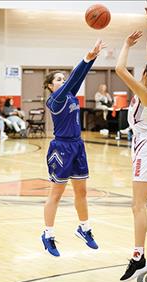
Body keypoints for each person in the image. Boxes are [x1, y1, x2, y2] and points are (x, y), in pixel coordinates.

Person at [41, 39, 107, 257]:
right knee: (56, 194)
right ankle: (48, 234)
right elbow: (72, 81)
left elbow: (78, 77)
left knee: (82, 192)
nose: (63, 81)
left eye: (63, 78)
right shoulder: (55, 100)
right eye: (58, 79)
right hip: (61, 148)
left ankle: (84, 228)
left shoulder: (68, 94)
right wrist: (87, 57)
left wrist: (93, 57)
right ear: (51, 85)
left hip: (77, 146)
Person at [115, 0, 147, 281]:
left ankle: (139, 256)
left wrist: (125, 44)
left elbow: (121, 69)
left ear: (146, 75)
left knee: (138, 206)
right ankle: (140, 254)